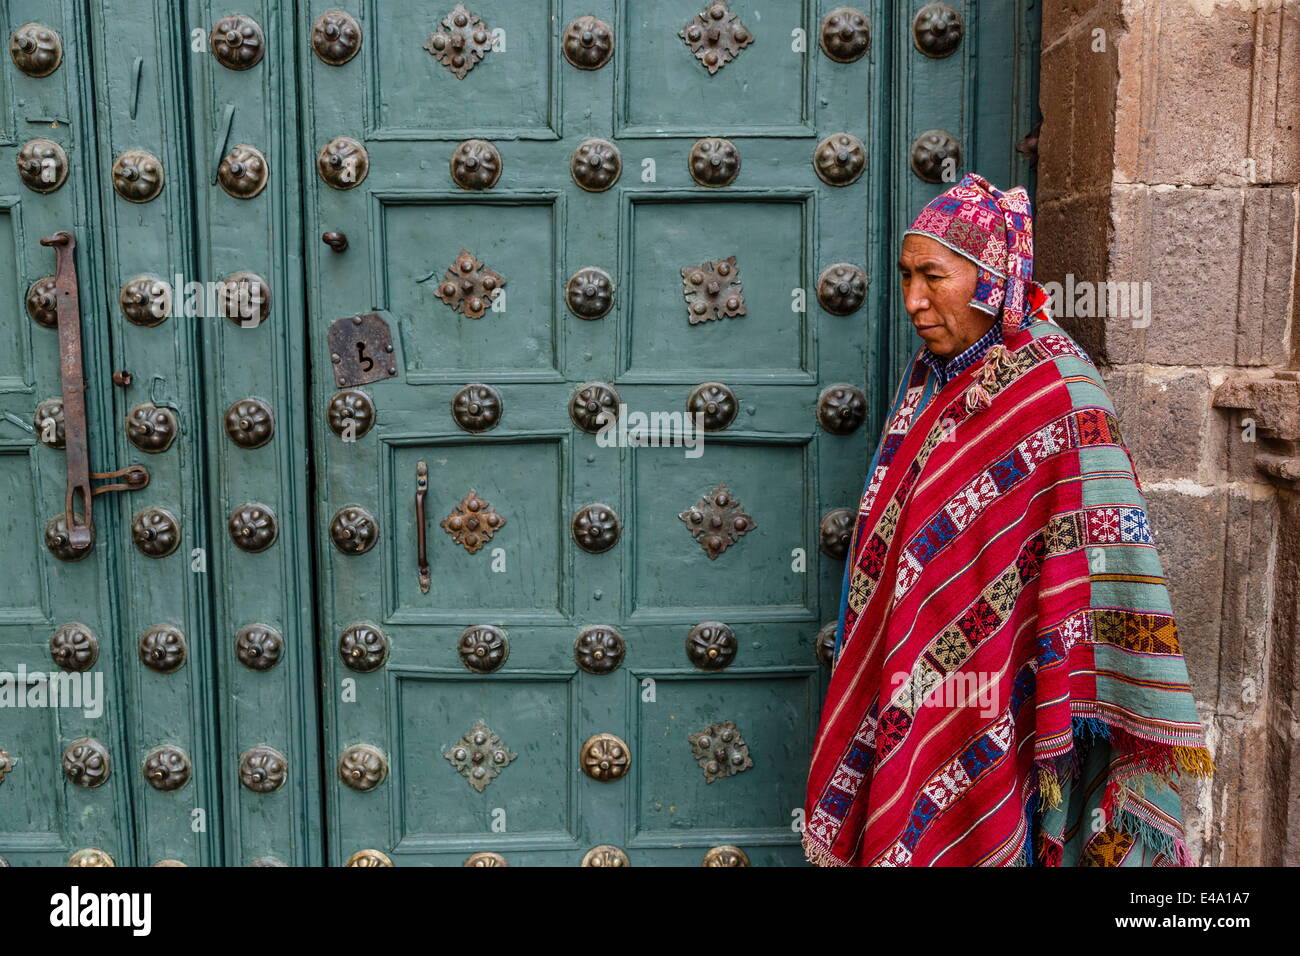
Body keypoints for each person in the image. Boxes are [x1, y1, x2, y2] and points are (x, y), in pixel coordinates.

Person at [803, 173, 1213, 866]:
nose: (913, 301)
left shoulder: (1059, 390)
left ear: (993, 278)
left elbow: (1106, 558)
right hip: (920, 676)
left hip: (1010, 688)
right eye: (906, 277)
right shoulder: (935, 375)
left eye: (933, 277)